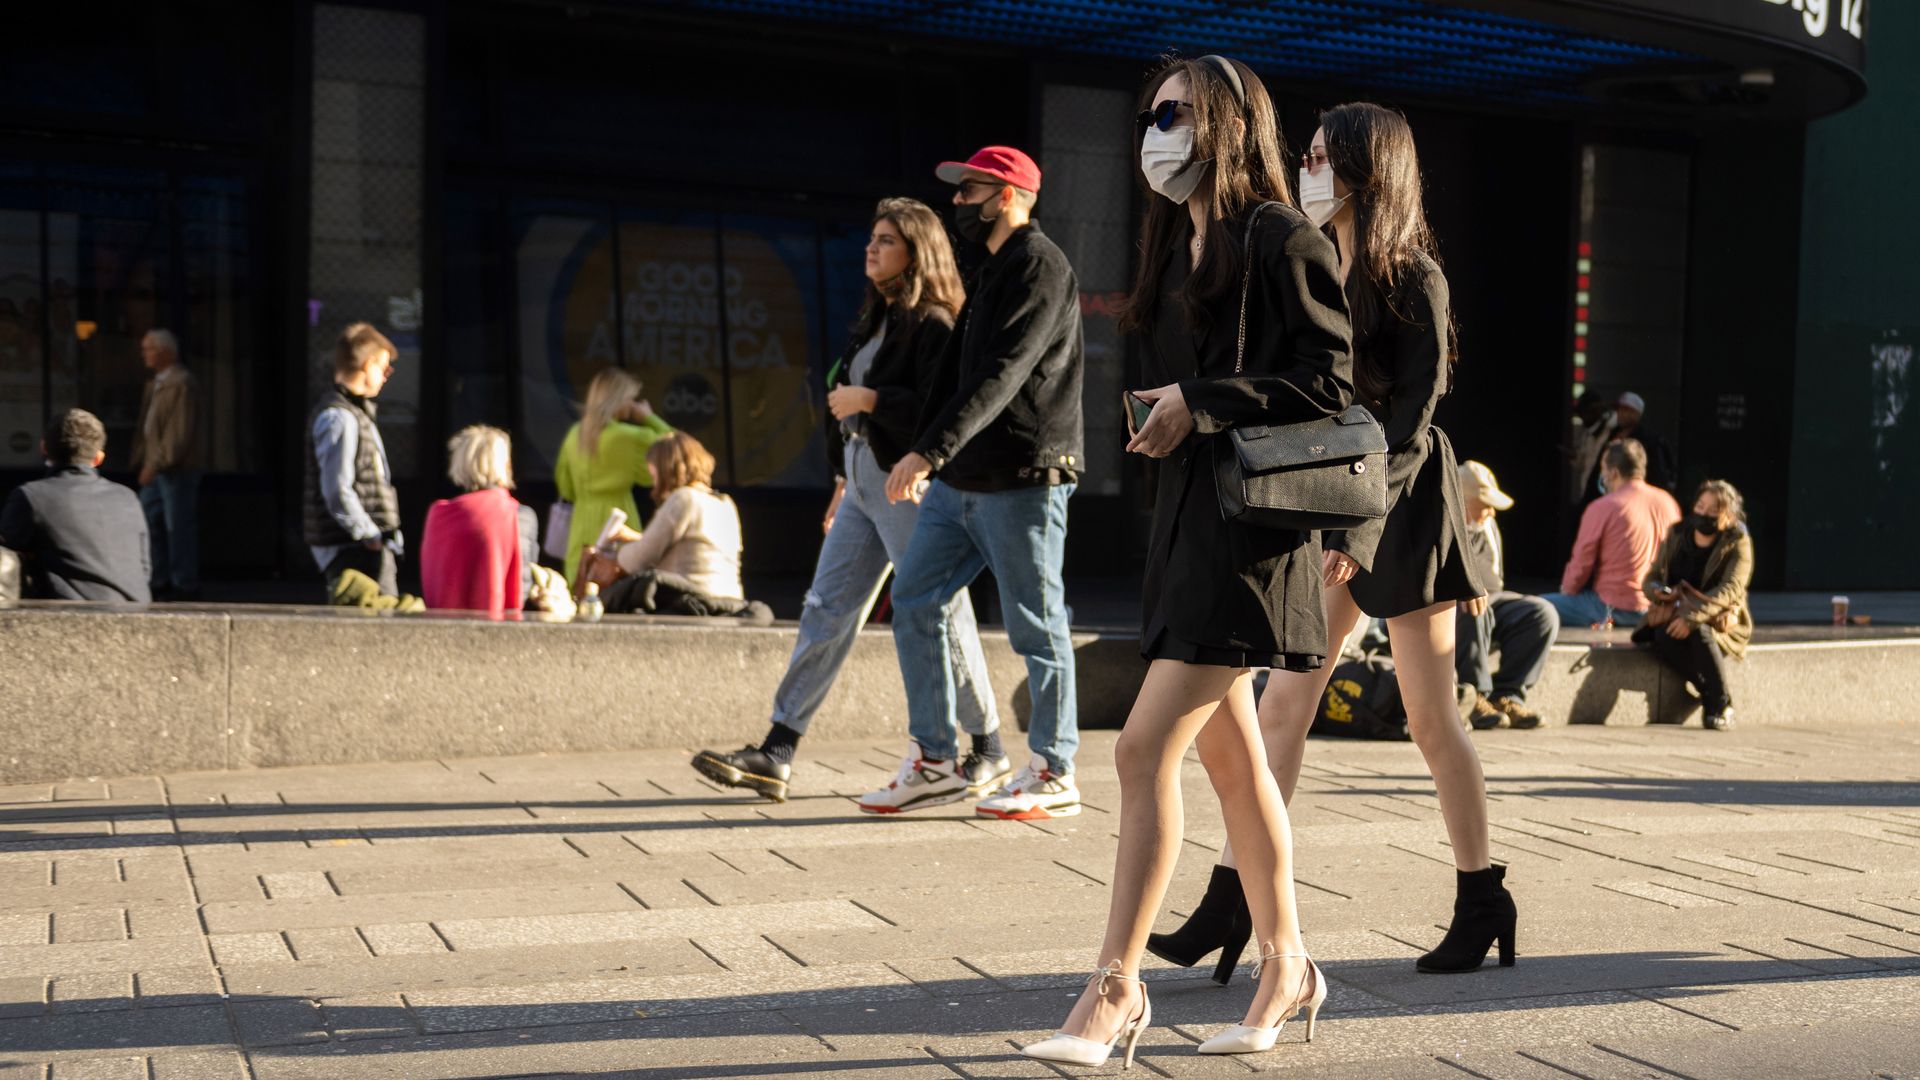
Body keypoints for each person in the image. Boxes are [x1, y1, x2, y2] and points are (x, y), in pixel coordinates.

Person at [1022, 57, 1346, 1068]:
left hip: (1250, 540)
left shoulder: (1281, 236)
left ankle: (1116, 988)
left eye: (1176, 114)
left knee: (1139, 749)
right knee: (1233, 766)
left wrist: (1198, 404)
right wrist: (1167, 410)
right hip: (1185, 525)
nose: (1155, 131)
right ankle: (1289, 965)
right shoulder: (1174, 243)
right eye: (1150, 115)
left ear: (1230, 124)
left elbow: (1329, 383)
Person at [1153, 101, 1514, 982]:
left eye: (1321, 158)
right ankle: (1232, 899)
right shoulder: (1312, 259)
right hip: (1332, 499)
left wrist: (1361, 523)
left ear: (1367, 169)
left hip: (1404, 505)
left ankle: (1482, 897)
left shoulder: (1413, 276)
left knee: (1431, 717)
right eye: (1306, 155)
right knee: (1284, 705)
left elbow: (1412, 421)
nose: (1307, 170)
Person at [689, 198, 1002, 805]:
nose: (871, 249)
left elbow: (942, 411)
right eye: (872, 238)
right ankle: (777, 751)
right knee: (825, 609)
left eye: (886, 241)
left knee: (939, 608)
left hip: (904, 481)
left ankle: (986, 744)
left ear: (916, 251)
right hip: (860, 480)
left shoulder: (935, 323)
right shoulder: (876, 318)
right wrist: (841, 480)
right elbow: (847, 406)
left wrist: (873, 401)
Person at [863, 144, 1084, 820]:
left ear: (1008, 196)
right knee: (915, 598)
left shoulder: (1040, 266)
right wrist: (923, 451)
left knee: (1035, 625)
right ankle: (934, 760)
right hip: (962, 479)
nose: (958, 203)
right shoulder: (988, 270)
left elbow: (1004, 371)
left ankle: (1053, 769)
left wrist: (930, 451)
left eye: (970, 191)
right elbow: (953, 376)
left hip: (1023, 474)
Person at [1635, 479, 1753, 730]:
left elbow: (1731, 588)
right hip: (1674, 612)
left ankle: (1720, 704)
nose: (1704, 515)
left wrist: (1691, 618)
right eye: (1700, 507)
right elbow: (1652, 576)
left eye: (1713, 511)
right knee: (1662, 636)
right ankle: (1713, 697)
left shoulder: (1737, 541)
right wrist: (1657, 591)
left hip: (1717, 620)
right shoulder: (1678, 534)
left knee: (1699, 632)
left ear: (1728, 515)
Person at [0, 409, 150, 602]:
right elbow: (145, 568)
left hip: (68, 614)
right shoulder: (128, 498)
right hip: (136, 611)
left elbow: (4, 557)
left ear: (43, 448)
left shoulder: (31, 496)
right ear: (99, 458)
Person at [1454, 461, 1560, 730]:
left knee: (1542, 613)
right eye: (1484, 505)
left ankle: (1507, 695)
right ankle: (1474, 697)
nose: (1491, 512)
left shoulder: (1487, 525)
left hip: (1489, 599)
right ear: (1461, 502)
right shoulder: (1440, 524)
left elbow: (1495, 582)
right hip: (1446, 606)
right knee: (1472, 603)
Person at [305, 322, 404, 599]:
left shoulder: (354, 413)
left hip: (359, 546)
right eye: (384, 367)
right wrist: (369, 535)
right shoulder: (340, 417)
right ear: (368, 364)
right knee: (377, 618)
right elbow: (337, 489)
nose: (386, 375)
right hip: (354, 550)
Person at [1543, 439, 1681, 629]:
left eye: (1603, 470)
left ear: (1614, 473)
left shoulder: (1603, 507)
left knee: (1534, 606)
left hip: (1610, 608)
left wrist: (1567, 592)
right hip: (1655, 609)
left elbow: (1581, 565)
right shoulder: (1668, 503)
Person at [554, 368, 674, 583]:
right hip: (618, 521)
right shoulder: (627, 436)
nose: (632, 404)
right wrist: (649, 417)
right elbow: (677, 448)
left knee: (580, 586)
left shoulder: (574, 435)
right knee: (621, 587)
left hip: (580, 524)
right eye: (630, 398)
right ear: (617, 400)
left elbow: (565, 486)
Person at [602, 432, 746, 609]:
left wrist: (615, 555)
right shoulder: (725, 503)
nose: (654, 485)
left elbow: (639, 558)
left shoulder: (684, 498)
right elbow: (695, 549)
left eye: (654, 477)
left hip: (691, 602)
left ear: (666, 470)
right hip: (729, 602)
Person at [420, 425, 530, 617]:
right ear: (506, 465)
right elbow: (523, 584)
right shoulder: (518, 514)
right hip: (498, 626)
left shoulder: (438, 513)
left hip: (442, 627)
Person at [130, 329, 202, 600]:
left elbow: (178, 433)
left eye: (149, 349)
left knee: (177, 527)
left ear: (165, 352)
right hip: (156, 467)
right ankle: (158, 578)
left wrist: (156, 463)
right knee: (149, 522)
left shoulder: (181, 383)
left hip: (175, 470)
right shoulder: (157, 383)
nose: (144, 355)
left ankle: (184, 583)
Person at [1583, 391, 1675, 497]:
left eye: (1626, 410)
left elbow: (1657, 476)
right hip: (1607, 495)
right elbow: (1597, 472)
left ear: (1637, 413)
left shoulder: (1649, 440)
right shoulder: (1611, 434)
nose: (1621, 413)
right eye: (1619, 409)